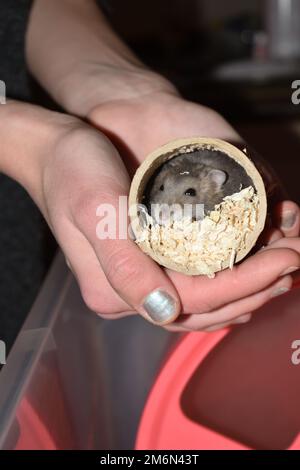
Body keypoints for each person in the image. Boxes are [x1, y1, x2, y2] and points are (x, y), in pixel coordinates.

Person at [1, 0, 299, 337]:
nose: (165, 206)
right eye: (160, 191)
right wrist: (34, 143)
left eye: (187, 193)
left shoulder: (216, 187)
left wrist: (126, 91)